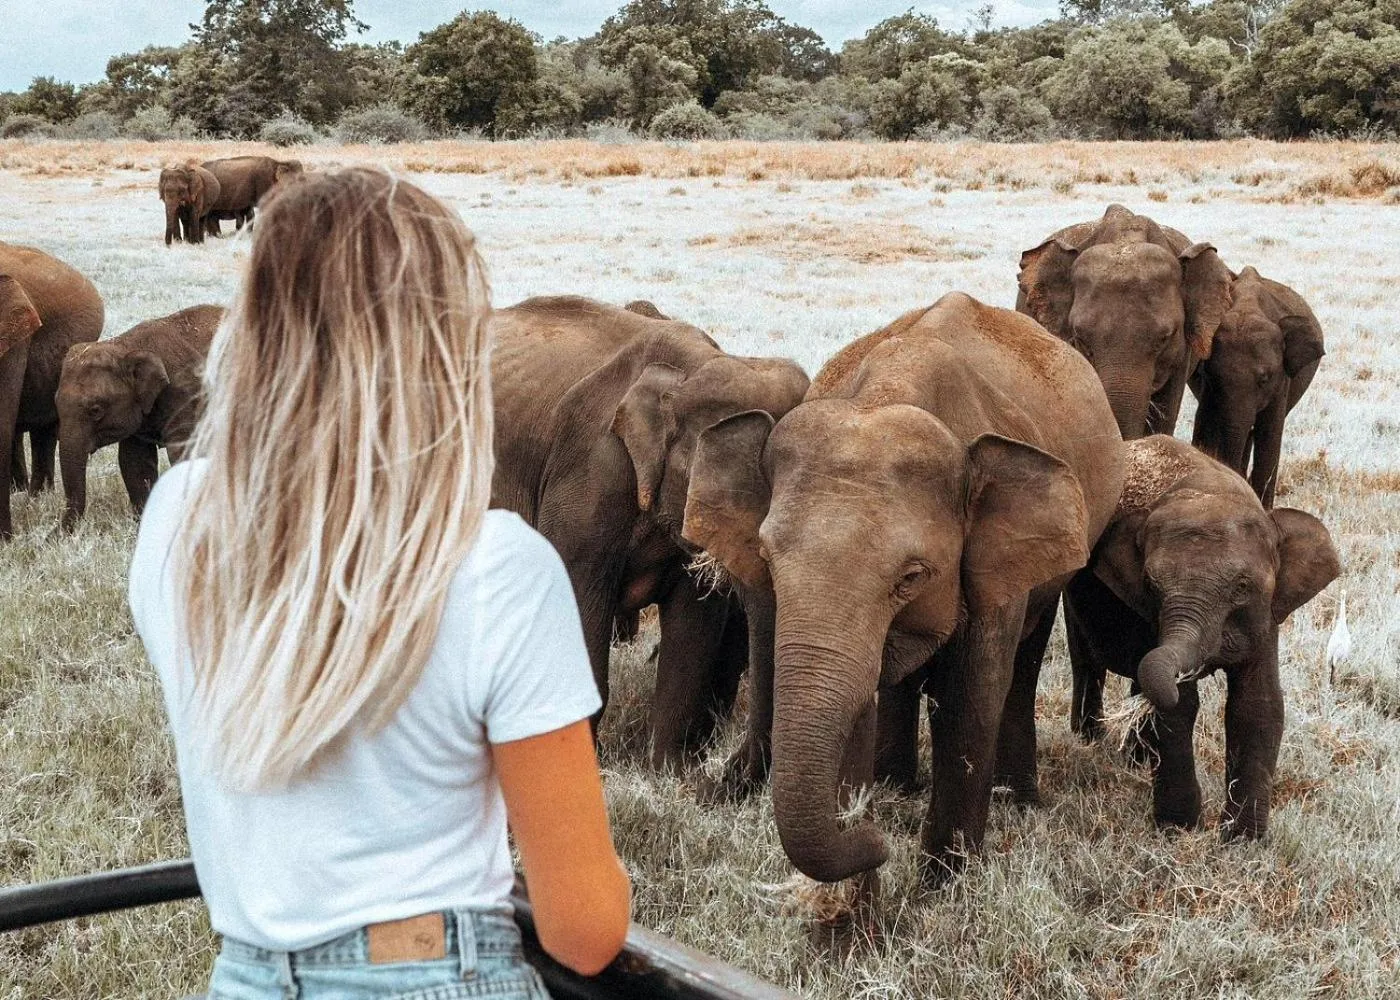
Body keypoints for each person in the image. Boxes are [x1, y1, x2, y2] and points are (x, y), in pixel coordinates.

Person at [128, 166, 631, 999]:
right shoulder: (495, 566)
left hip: (244, 975)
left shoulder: (178, 517)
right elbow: (583, 930)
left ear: (251, 331)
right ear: (446, 346)